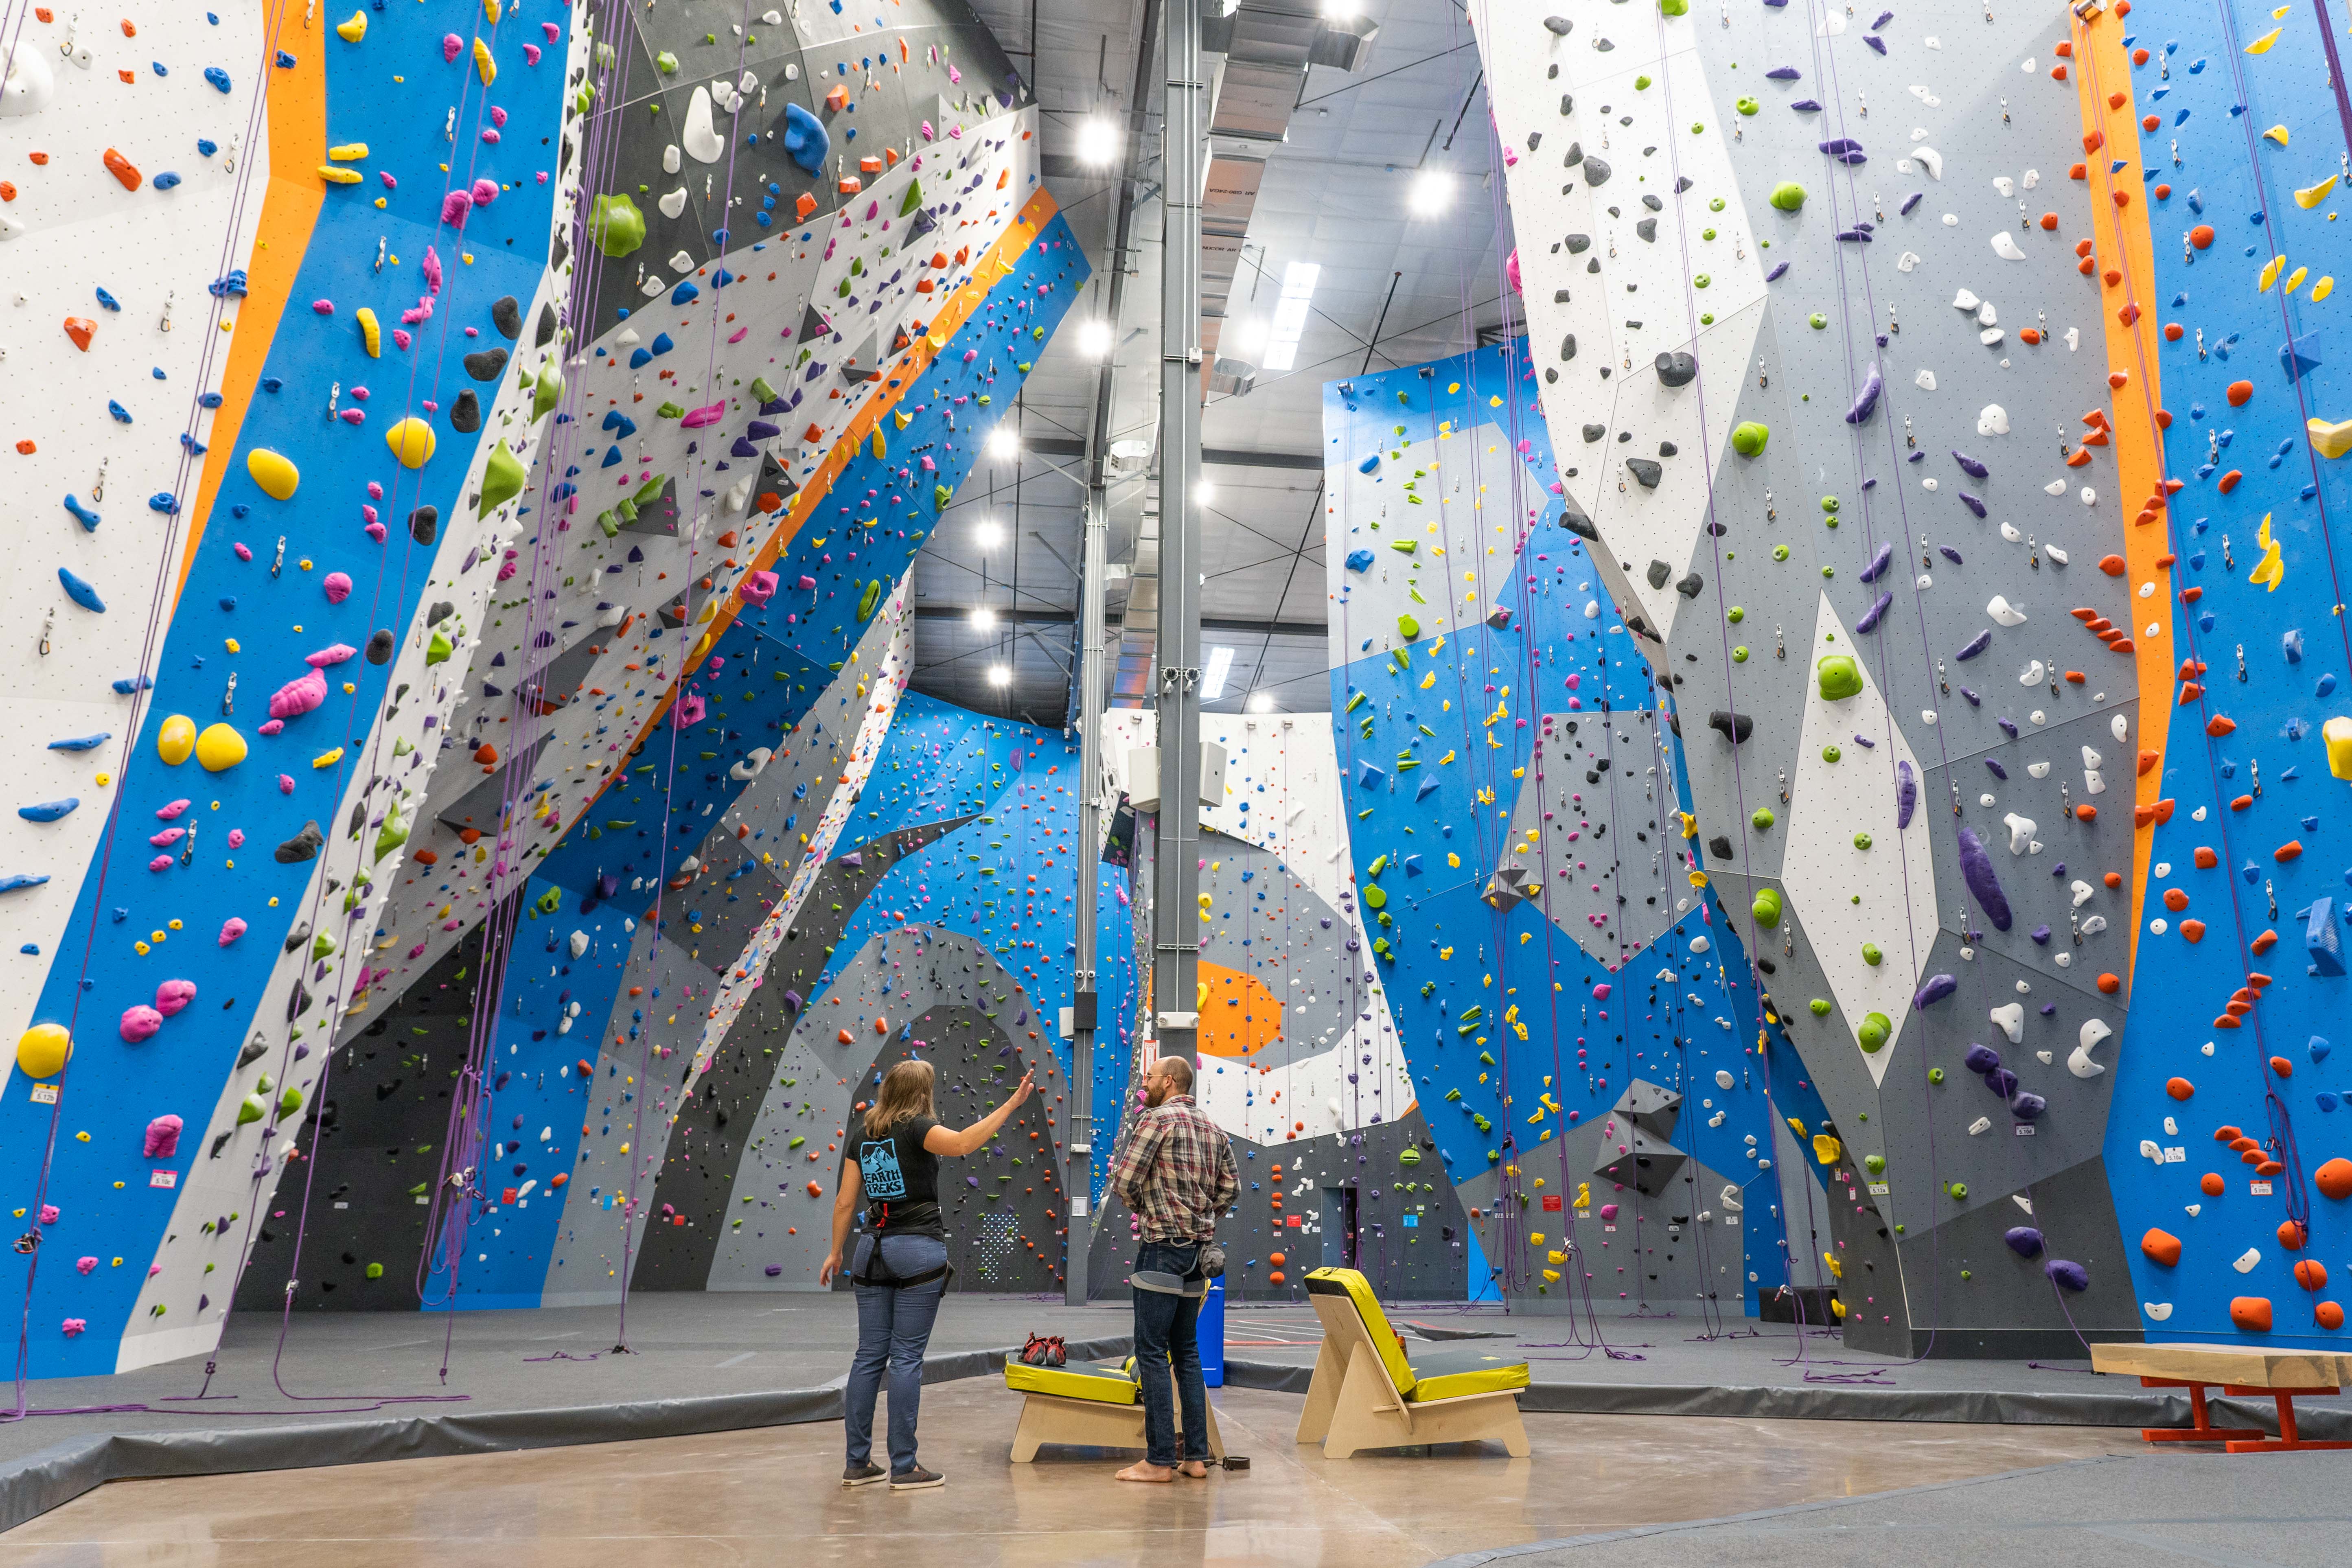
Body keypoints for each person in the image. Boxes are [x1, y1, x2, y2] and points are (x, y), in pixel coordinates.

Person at [822, 1058, 1034, 1491]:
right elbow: (963, 1144)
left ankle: (857, 1464)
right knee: (906, 1358)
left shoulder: (864, 1136)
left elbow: (845, 1202)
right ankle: (904, 1467)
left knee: (868, 1356)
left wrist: (836, 1251)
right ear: (922, 1093)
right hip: (916, 1249)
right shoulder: (917, 1127)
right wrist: (1011, 1105)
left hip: (870, 1251)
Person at [1105, 1054, 1238, 1483]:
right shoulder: (1213, 1129)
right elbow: (1230, 1189)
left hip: (1161, 1249)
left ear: (1169, 1081)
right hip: (1198, 1255)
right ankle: (1195, 1458)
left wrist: (1150, 1209)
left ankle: (1159, 1461)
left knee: (1151, 1352)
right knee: (1187, 1353)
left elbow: (1124, 1180)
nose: (1144, 1084)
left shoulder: (1155, 1120)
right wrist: (1201, 1216)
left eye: (1149, 1077)